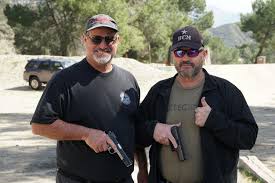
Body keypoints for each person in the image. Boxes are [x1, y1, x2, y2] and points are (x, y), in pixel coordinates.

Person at [31, 14, 147, 183]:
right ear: (84, 40)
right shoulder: (63, 80)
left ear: (118, 41)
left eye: (109, 39)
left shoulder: (129, 81)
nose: (103, 45)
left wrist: (143, 170)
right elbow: (40, 125)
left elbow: (135, 129)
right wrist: (86, 134)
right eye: (96, 39)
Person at [136, 26, 258, 183]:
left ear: (204, 54)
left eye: (192, 52)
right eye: (179, 52)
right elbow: (135, 130)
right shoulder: (160, 91)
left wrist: (214, 120)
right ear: (173, 55)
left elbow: (249, 137)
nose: (185, 58)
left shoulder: (225, 91)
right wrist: (153, 129)